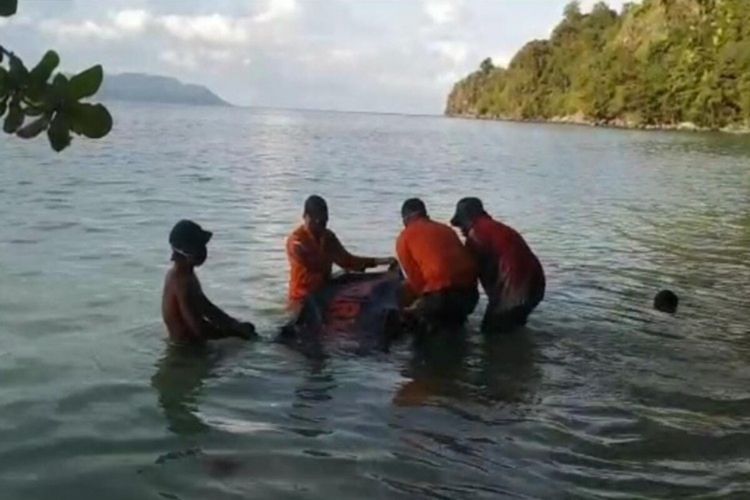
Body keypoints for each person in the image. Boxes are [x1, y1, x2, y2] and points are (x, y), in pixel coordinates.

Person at [450, 197, 545, 333]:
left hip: (516, 289)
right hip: (536, 285)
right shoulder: (495, 228)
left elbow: (470, 272)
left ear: (468, 219)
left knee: (491, 333)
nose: (461, 230)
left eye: (461, 225)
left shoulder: (477, 234)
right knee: (511, 330)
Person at [286, 195, 394, 311]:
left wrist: (382, 261)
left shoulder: (328, 237)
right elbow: (311, 271)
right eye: (316, 221)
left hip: (324, 293)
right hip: (301, 299)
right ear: (305, 216)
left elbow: (348, 261)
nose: (319, 226)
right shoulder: (296, 242)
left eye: (323, 222)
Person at [162, 220, 256, 343]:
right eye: (199, 246)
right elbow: (199, 329)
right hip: (188, 355)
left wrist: (234, 324)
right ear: (186, 250)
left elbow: (207, 308)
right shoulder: (182, 282)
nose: (204, 250)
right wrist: (234, 334)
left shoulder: (184, 274)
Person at [396, 198, 478, 328]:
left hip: (442, 298)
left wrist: (417, 305)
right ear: (425, 214)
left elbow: (416, 281)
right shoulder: (446, 229)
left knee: (417, 326)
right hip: (470, 295)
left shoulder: (404, 238)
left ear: (405, 219)